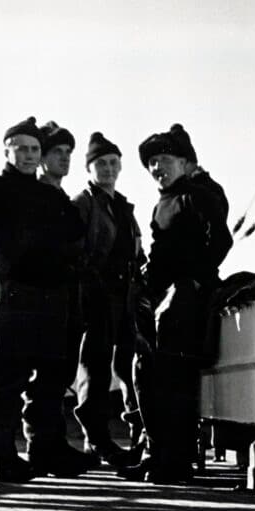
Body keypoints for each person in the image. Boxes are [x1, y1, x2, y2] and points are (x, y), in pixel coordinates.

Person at [122, 124, 233, 484]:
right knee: (146, 373)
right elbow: (159, 255)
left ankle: (177, 461)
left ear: (186, 163)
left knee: (176, 380)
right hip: (161, 301)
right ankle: (157, 453)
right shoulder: (163, 202)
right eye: (152, 162)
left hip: (187, 301)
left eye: (165, 160)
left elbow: (221, 241)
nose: (157, 167)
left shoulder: (199, 194)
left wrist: (194, 282)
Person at [0, 119, 91, 479]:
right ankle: (4, 456)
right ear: (7, 150)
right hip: (17, 294)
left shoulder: (50, 195)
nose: (29, 156)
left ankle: (46, 450)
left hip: (53, 295)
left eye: (34, 150)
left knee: (51, 376)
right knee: (9, 378)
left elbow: (73, 235)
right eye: (22, 149)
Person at [72, 131, 145, 464]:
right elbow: (76, 252)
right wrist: (92, 286)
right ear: (89, 168)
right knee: (95, 368)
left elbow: (136, 252)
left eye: (113, 162)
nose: (108, 169)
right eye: (100, 163)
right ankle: (96, 439)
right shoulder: (84, 203)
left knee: (128, 366)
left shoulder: (124, 207)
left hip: (125, 298)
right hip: (97, 298)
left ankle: (137, 434)